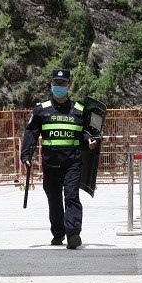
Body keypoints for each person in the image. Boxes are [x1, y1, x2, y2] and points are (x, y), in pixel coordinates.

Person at [20, 69, 98, 250]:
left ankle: (73, 234)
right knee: (54, 198)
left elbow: (86, 132)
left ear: (68, 85)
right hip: (51, 163)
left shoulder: (79, 110)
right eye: (56, 83)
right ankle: (58, 232)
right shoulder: (41, 109)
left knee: (71, 195)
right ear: (51, 84)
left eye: (62, 83)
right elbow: (31, 133)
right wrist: (26, 155)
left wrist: (89, 141)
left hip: (72, 162)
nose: (59, 86)